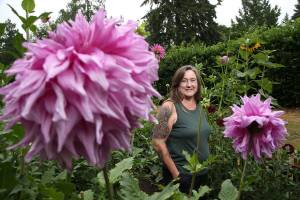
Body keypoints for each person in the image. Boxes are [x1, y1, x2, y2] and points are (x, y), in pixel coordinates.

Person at [152, 65, 211, 194]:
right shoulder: (169, 106)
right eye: (184, 80)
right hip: (181, 177)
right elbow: (157, 143)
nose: (189, 84)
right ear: (177, 83)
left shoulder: (199, 106)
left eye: (193, 80)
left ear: (198, 83)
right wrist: (176, 175)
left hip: (202, 175)